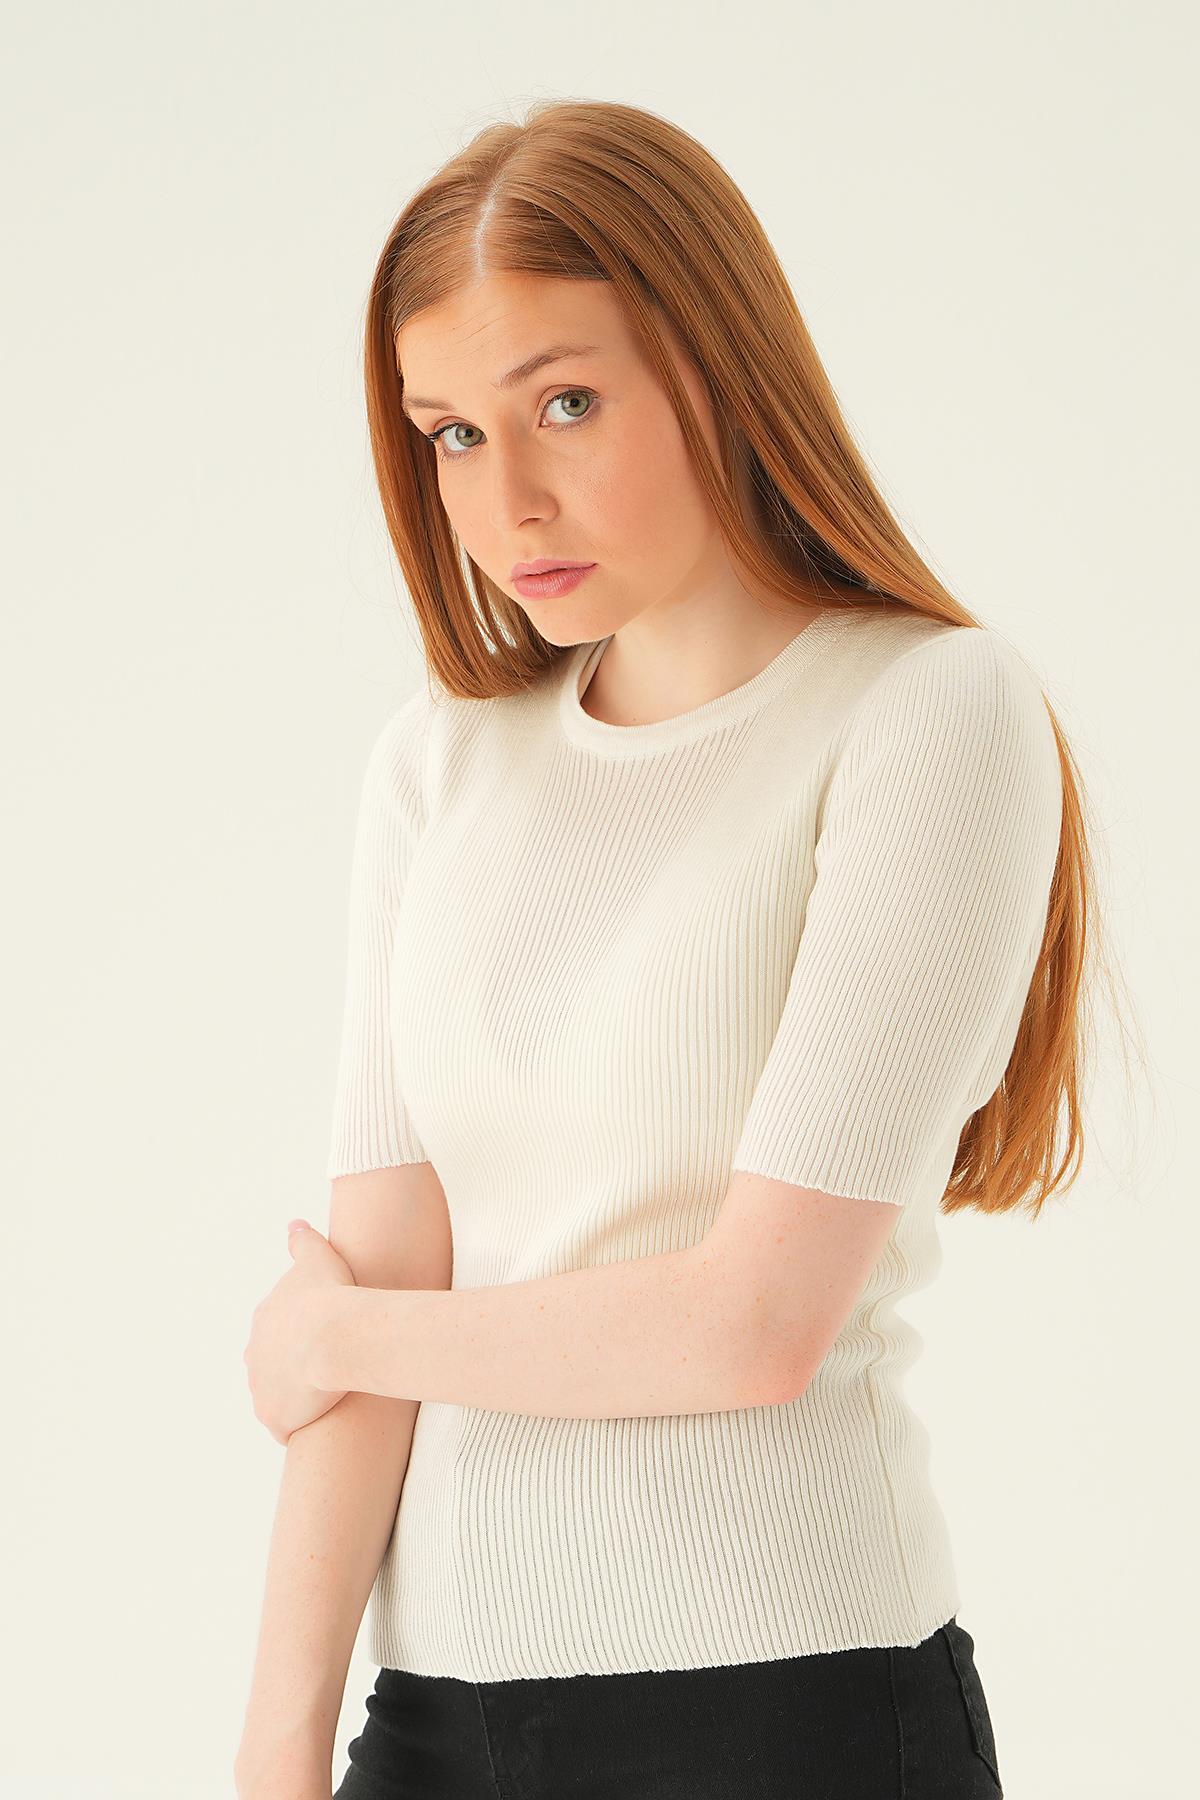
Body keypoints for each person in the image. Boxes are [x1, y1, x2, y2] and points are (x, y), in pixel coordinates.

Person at [236, 99, 1102, 1800]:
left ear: (717, 367)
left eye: (565, 402)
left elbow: (751, 1324)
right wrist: (276, 1753)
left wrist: (340, 1339)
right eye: (451, 434)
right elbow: (384, 1259)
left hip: (786, 1707)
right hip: (433, 1718)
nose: (508, 498)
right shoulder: (439, 763)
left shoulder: (928, 712)